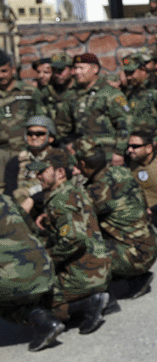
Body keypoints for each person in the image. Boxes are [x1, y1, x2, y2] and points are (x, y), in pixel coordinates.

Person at [32, 148, 112, 335]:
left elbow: (73, 239)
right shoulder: (72, 191)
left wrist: (46, 260)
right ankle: (97, 298)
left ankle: (88, 303)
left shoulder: (60, 200)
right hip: (97, 267)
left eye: (42, 171)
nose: (37, 176)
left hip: (85, 275)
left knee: (35, 303)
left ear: (60, 172)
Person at [75, 139, 157, 302]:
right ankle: (134, 279)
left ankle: (106, 296)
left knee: (80, 249)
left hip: (135, 256)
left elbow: (74, 217)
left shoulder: (96, 192)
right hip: (150, 244)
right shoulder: (121, 172)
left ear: (84, 165)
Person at [0, 190, 62, 351]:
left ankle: (40, 320)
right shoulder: (5, 198)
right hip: (44, 266)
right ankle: (84, 303)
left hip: (16, 278)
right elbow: (33, 228)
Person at [56, 53, 132, 166]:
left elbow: (125, 124)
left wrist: (119, 152)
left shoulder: (110, 94)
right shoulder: (73, 96)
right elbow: (64, 126)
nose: (76, 72)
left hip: (108, 156)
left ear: (95, 69)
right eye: (75, 68)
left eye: (81, 68)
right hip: (82, 157)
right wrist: (67, 144)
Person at [4, 115, 58, 218]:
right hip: (23, 212)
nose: (34, 137)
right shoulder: (16, 161)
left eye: (40, 134)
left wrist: (33, 199)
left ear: (50, 138)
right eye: (30, 133)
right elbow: (9, 192)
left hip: (53, 209)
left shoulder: (60, 158)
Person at [0, 49, 36, 194]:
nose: (0, 76)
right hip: (1, 154)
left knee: (26, 192)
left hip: (25, 152)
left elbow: (41, 120)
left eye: (4, 71)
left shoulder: (29, 92)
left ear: (12, 69)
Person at [122, 52, 157, 142]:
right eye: (126, 73)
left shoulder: (155, 86)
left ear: (143, 70)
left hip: (153, 144)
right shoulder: (130, 91)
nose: (128, 77)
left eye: (131, 73)